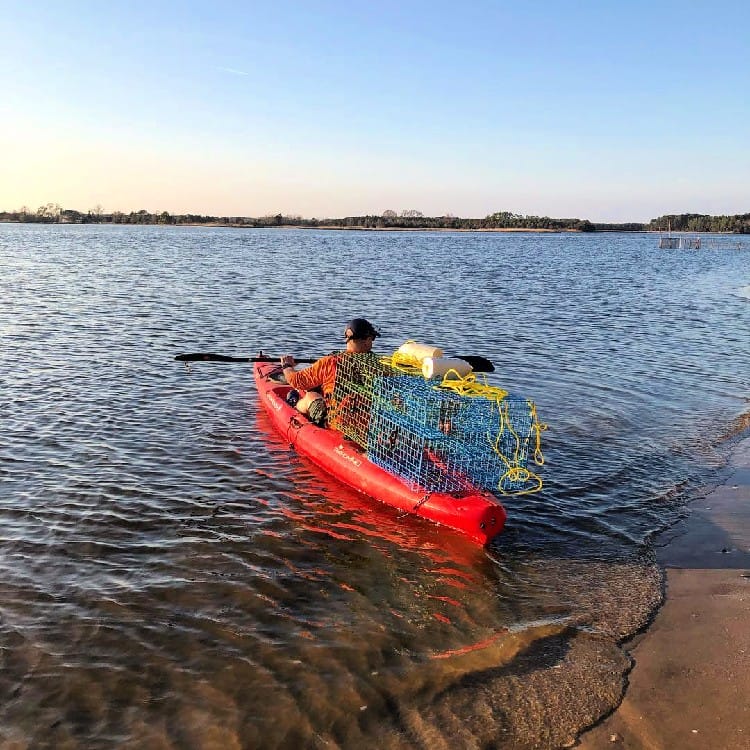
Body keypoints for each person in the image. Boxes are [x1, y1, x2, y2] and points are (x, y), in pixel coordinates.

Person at [280, 318, 380, 426]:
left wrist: (287, 366)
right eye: (372, 338)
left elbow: (296, 381)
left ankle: (294, 403)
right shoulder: (378, 364)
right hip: (367, 422)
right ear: (366, 341)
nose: (372, 341)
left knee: (311, 395)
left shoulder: (331, 362)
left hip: (337, 422)